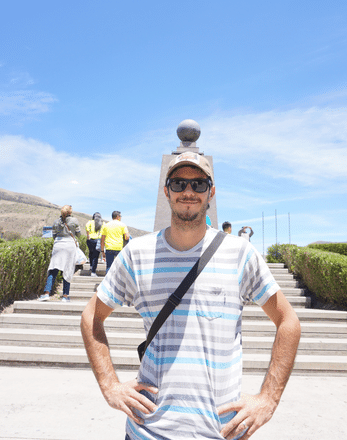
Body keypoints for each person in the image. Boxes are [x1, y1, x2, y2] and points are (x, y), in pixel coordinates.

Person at [81, 151, 301, 440]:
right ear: (166, 191)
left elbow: (289, 322)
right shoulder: (136, 254)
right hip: (148, 431)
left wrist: (268, 399)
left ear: (211, 191)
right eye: (178, 184)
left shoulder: (240, 254)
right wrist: (110, 386)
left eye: (198, 184)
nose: (188, 191)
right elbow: (90, 318)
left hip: (220, 432)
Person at [38, 205, 81, 303]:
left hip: (58, 244)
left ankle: (46, 294)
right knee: (68, 270)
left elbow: (53, 235)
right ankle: (65, 296)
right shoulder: (74, 221)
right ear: (70, 212)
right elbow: (79, 234)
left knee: (53, 269)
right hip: (69, 245)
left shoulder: (56, 221)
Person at [86, 212, 104, 277]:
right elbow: (103, 232)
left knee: (91, 253)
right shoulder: (102, 223)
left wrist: (88, 236)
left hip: (90, 240)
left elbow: (87, 228)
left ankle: (91, 266)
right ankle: (93, 272)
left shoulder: (90, 222)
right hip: (98, 240)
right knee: (95, 256)